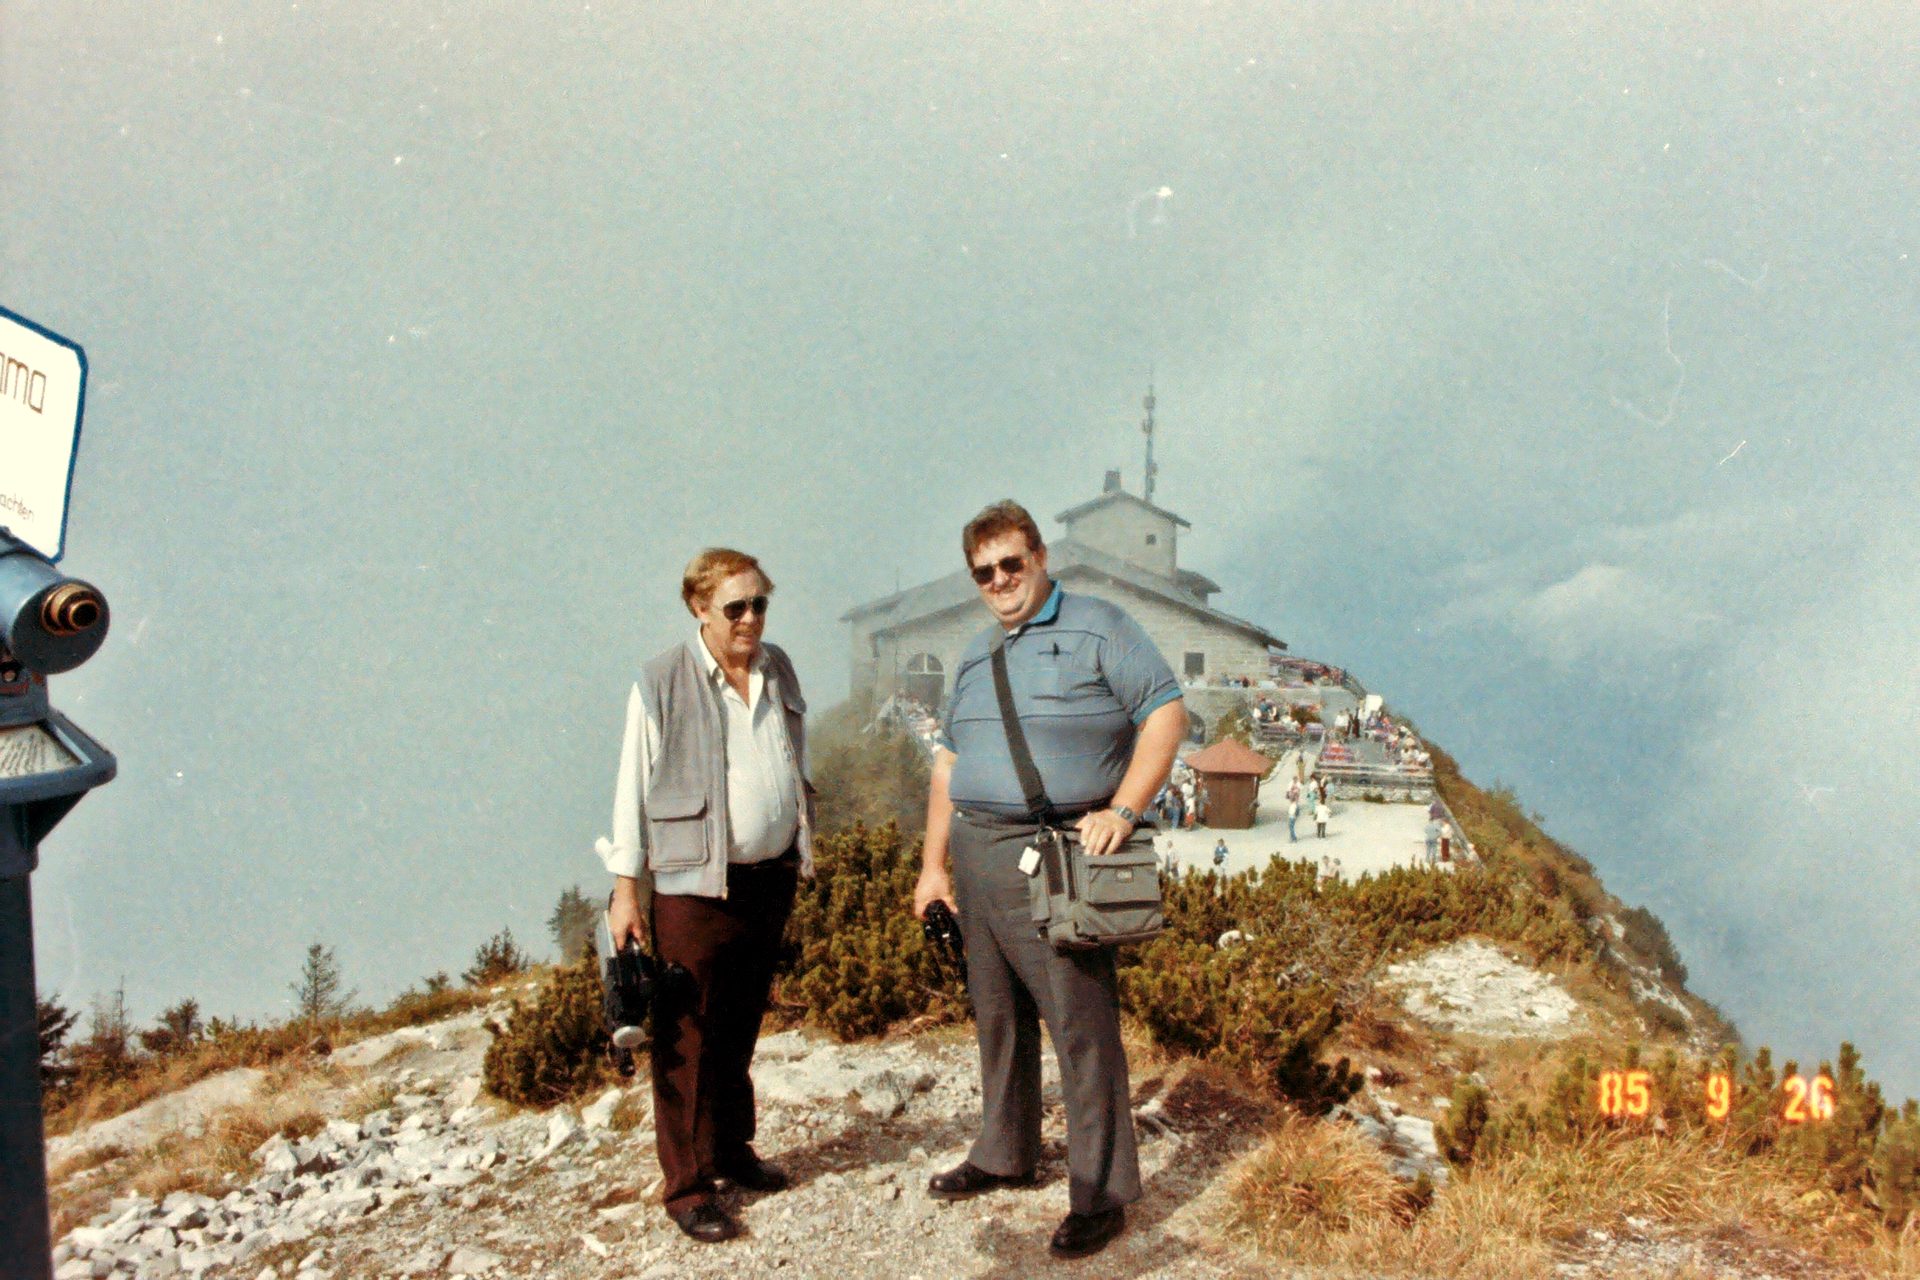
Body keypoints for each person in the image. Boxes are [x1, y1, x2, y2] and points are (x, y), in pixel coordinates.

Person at [912, 500, 1186, 1261]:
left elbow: (1166, 711)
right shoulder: (973, 654)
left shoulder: (1101, 625)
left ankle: (1101, 1194)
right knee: (997, 1014)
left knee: (1080, 1026)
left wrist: (1126, 810)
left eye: (1011, 563)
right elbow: (948, 765)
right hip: (977, 850)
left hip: (1060, 853)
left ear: (1039, 558)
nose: (999, 580)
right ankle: (1005, 1153)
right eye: (984, 572)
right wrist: (933, 866)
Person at [600, 548, 813, 1245]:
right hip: (694, 885)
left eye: (759, 604)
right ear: (699, 607)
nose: (751, 618)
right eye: (735, 607)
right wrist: (625, 886)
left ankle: (730, 1149)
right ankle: (687, 1188)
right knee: (686, 1033)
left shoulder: (776, 666)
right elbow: (631, 786)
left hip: (768, 876)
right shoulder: (660, 681)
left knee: (742, 1022)